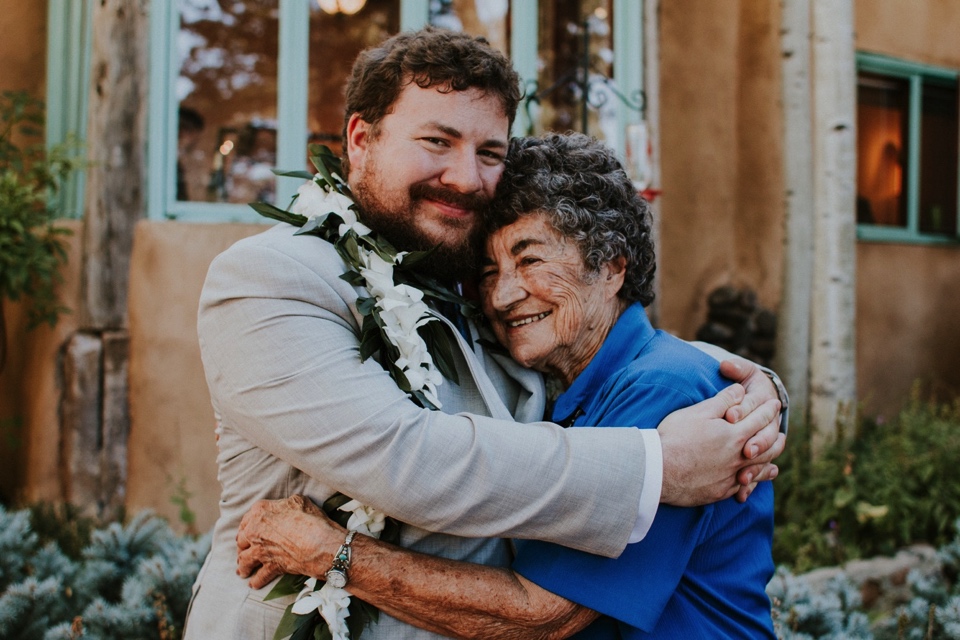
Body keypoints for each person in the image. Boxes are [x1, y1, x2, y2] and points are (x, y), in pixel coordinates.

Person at [185, 28, 785, 639]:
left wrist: (742, 387)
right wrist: (657, 465)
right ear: (361, 140)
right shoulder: (269, 277)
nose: (466, 177)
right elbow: (408, 458)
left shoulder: (456, 271)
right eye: (436, 141)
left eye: (490, 153)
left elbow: (596, 329)